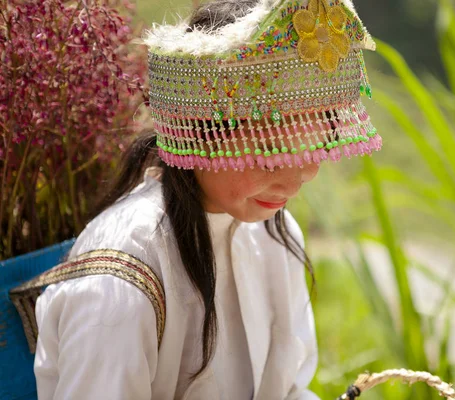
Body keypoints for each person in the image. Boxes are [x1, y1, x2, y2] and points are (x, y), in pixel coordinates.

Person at [31, 0, 381, 398]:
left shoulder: (273, 232)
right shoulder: (120, 276)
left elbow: (286, 390)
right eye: (270, 154)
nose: (295, 180)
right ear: (199, 135)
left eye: (316, 147)